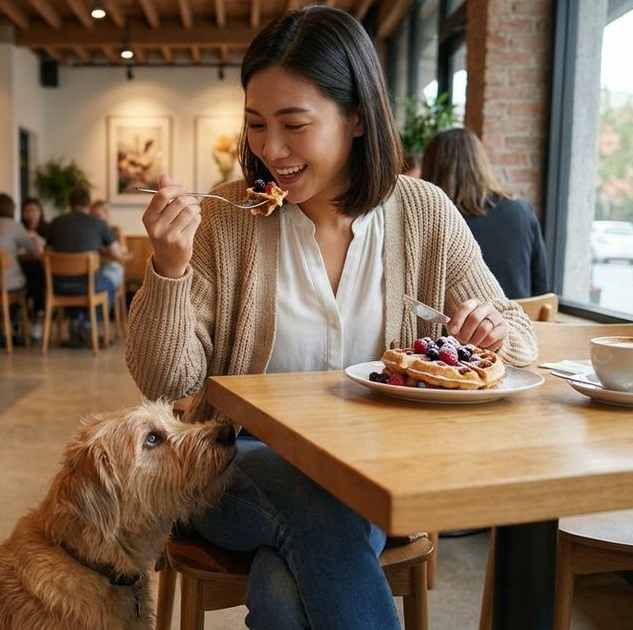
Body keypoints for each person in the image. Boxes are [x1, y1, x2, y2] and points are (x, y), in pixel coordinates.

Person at [126, 6, 537, 629]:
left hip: (374, 468)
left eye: (294, 125)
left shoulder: (423, 212)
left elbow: (520, 334)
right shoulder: (229, 220)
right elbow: (166, 381)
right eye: (257, 125)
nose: (270, 150)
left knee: (283, 594)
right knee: (321, 507)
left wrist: (493, 331)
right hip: (232, 465)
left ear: (358, 119)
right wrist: (169, 269)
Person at [422, 128, 548, 299]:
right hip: (519, 322)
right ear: (481, 163)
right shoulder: (521, 211)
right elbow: (542, 289)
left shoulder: (431, 221)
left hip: (459, 325)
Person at [0, 193, 43, 343]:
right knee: (23, 281)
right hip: (7, 284)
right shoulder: (13, 225)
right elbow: (33, 250)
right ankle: (12, 326)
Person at [46, 186, 124, 311]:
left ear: (69, 203)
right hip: (89, 286)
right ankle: (93, 319)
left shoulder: (55, 223)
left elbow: (47, 252)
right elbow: (118, 254)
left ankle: (78, 319)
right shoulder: (98, 223)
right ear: (88, 204)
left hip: (59, 285)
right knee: (116, 271)